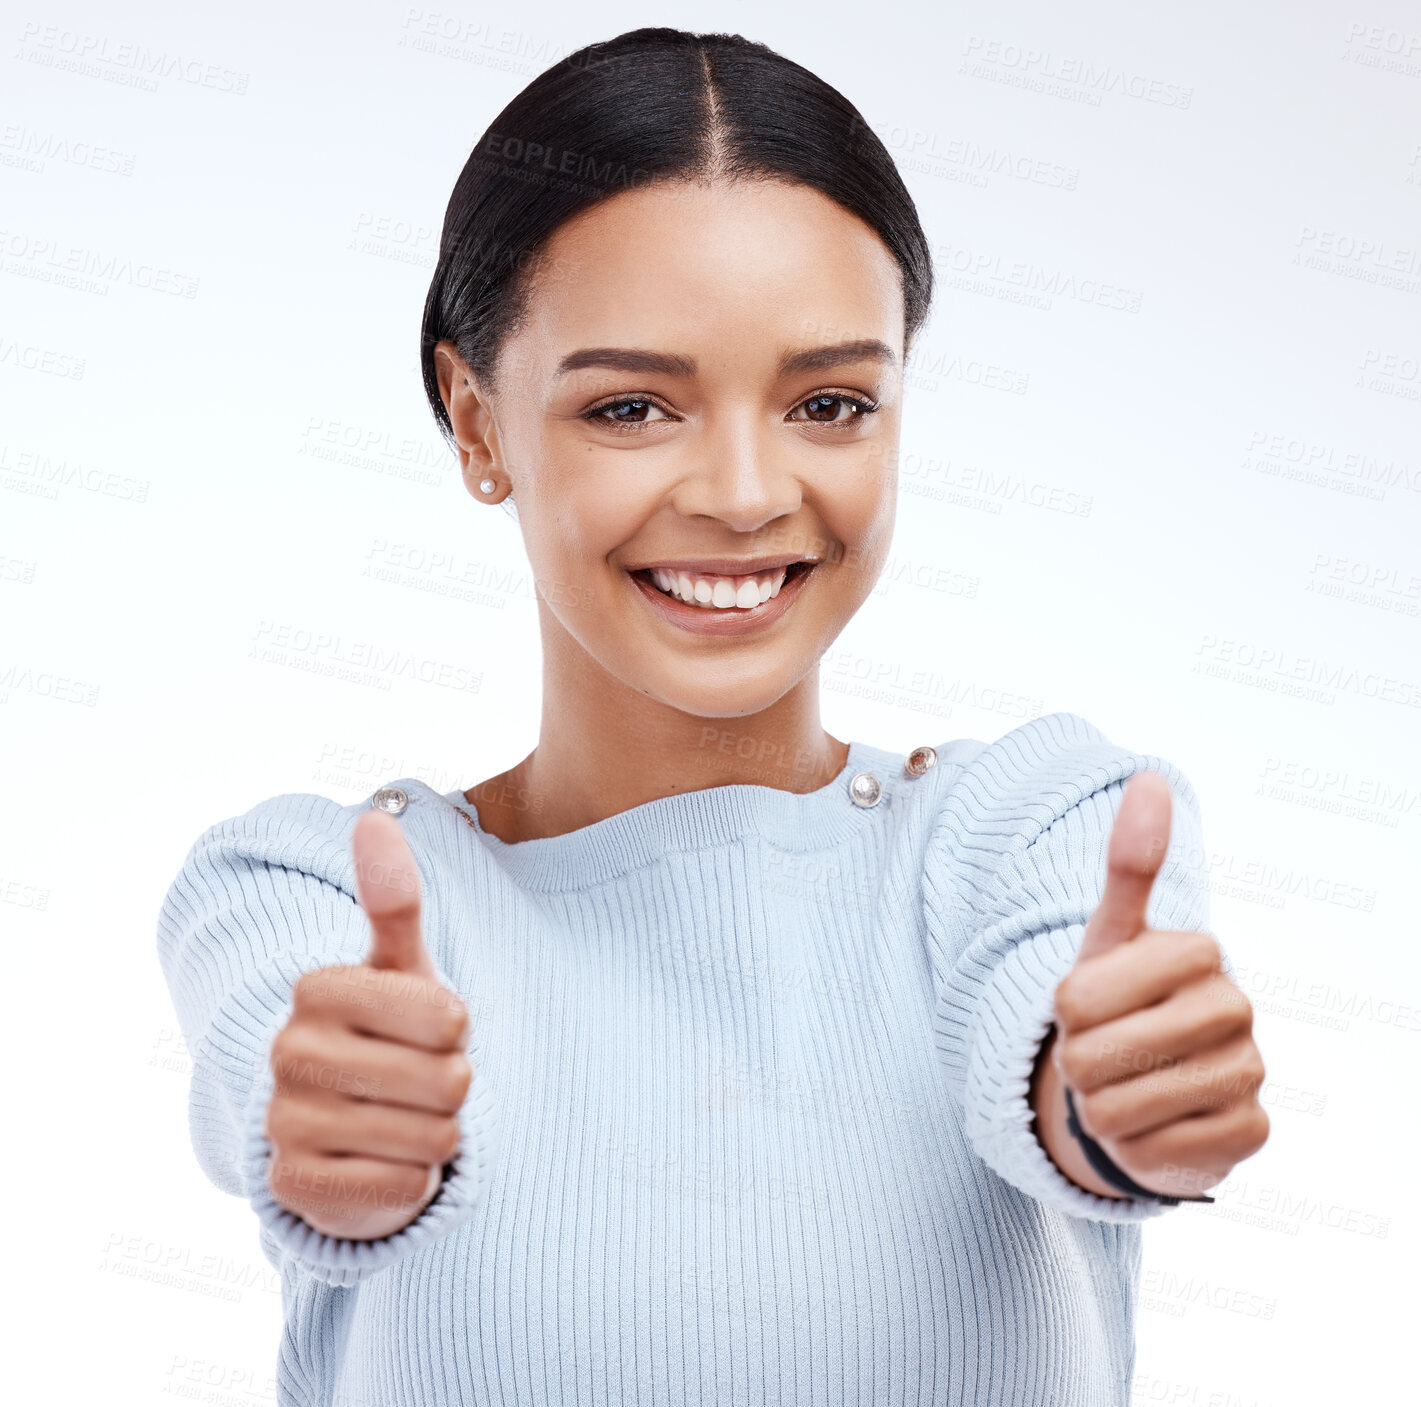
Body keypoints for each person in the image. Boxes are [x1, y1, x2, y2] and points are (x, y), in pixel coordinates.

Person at [156, 25, 1269, 1406]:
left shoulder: (1034, 830)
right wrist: (334, 1136)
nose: (744, 492)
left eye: (829, 402)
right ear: (476, 421)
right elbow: (286, 1082)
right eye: (631, 405)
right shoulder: (315, 891)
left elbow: (1063, 1061)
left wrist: (1117, 1104)